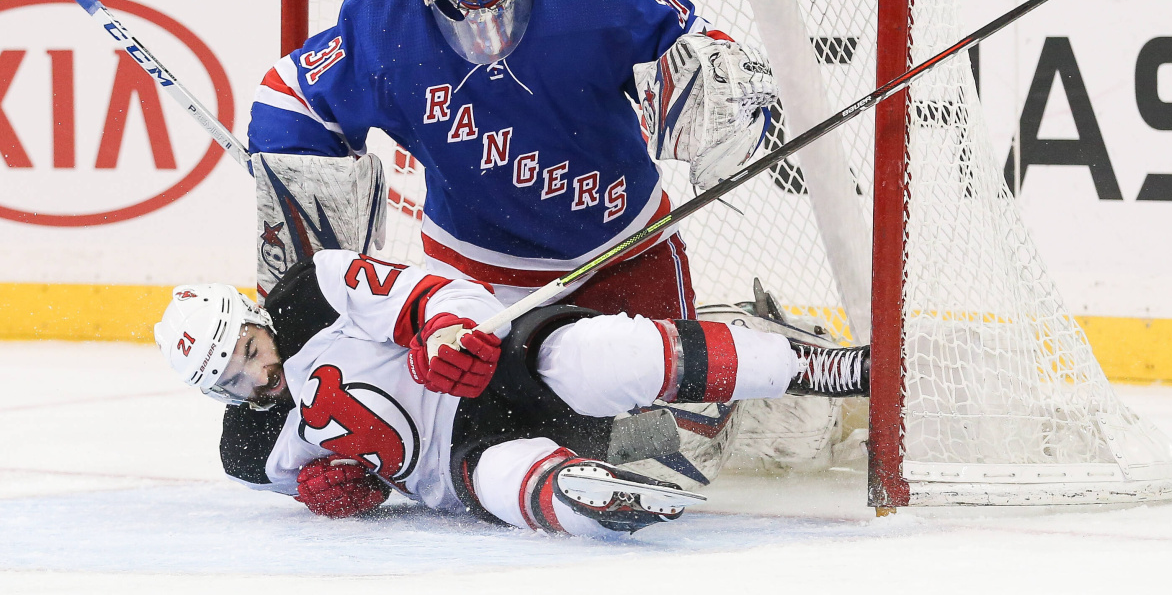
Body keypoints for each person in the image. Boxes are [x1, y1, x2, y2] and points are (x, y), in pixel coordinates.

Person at [248, 0, 778, 320]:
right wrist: (298, 186)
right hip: (474, 277)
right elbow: (290, 93)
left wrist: (722, 93)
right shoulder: (385, 23)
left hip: (626, 249)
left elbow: (698, 44)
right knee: (484, 414)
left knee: (674, 404)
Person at [154, 248, 870, 533]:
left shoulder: (314, 292)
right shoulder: (250, 452)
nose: (256, 377)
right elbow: (346, 480)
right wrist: (346, 491)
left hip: (501, 362)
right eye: (231, 381)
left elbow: (441, 293)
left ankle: (815, 367)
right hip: (458, 458)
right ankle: (589, 497)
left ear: (254, 316)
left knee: (595, 356)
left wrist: (443, 330)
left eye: (250, 352)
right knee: (498, 479)